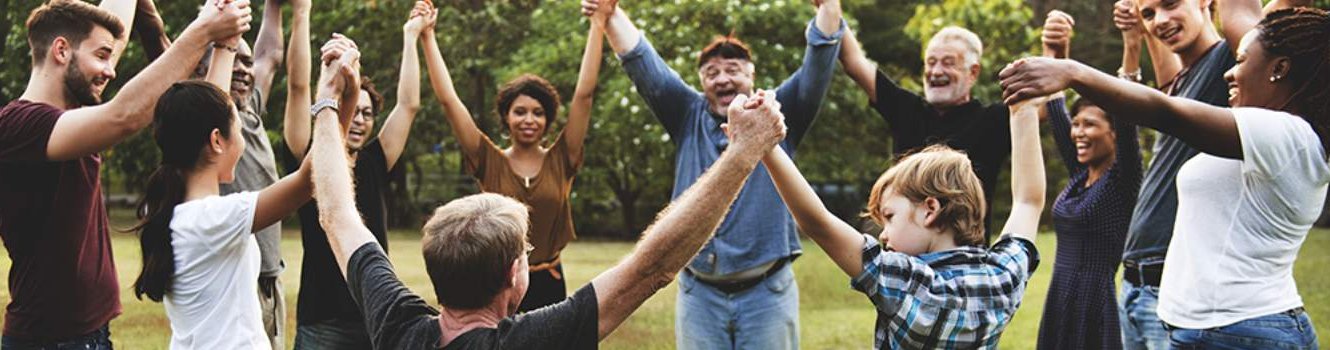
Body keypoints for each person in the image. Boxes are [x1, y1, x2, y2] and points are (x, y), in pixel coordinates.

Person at [309, 80, 790, 349]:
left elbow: (335, 214)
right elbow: (654, 265)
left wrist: (328, 101)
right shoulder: (534, 342)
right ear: (515, 276)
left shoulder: (396, 327)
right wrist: (743, 151)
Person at [1000, 6, 1329, 347]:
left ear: (1279, 69)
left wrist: (1073, 72)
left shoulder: (1289, 135)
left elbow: (1165, 111)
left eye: (1242, 61)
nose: (1230, 73)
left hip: (1242, 330)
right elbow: (1238, 14)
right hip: (1207, 327)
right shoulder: (1266, 136)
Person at [580, 0, 843, 347]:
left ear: (751, 74)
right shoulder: (687, 114)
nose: (722, 79)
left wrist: (829, 7)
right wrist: (610, 14)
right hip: (699, 295)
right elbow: (643, 64)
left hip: (767, 294)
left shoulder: (779, 114)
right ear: (702, 81)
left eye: (733, 69)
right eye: (711, 73)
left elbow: (819, 62)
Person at [0, 0, 249, 347]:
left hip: (88, 334)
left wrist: (225, 43)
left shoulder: (77, 112)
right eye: (103, 56)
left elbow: (108, 40)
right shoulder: (19, 125)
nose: (111, 69)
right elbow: (125, 115)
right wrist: (204, 30)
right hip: (47, 340)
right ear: (60, 51)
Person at [758, 82, 1047, 348]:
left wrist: (767, 144)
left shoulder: (905, 280)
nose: (882, 235)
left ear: (930, 210)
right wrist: (1024, 111)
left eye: (890, 216)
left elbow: (817, 222)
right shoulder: (1000, 277)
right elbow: (1028, 202)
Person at [422, 0, 604, 312]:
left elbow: (584, 95)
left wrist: (598, 24)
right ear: (506, 117)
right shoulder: (488, 160)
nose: (529, 119)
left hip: (548, 280)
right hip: (494, 284)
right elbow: (449, 101)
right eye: (519, 112)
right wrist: (427, 37)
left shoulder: (563, 159)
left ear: (548, 120)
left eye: (538, 113)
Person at [282, 3, 426, 348]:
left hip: (374, 314)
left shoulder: (375, 161)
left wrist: (411, 36)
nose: (360, 119)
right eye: (354, 108)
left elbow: (408, 105)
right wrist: (302, 15)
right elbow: (298, 89)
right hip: (323, 320)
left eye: (367, 113)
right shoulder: (309, 156)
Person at [837, 15, 1007, 242]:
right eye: (931, 62)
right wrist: (830, 7)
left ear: (973, 72)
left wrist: (1055, 52)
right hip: (903, 257)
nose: (936, 71)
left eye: (948, 63)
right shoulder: (907, 110)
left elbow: (1045, 106)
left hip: (965, 261)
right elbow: (853, 62)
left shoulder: (993, 120)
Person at [1033, 10, 1143, 350]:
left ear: (1113, 133)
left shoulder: (1122, 179)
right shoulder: (1081, 175)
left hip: (1095, 302)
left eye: (1090, 124)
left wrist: (1132, 43)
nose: (1078, 132)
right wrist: (1056, 53)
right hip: (1061, 295)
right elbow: (1055, 109)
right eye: (1077, 123)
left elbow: (1128, 111)